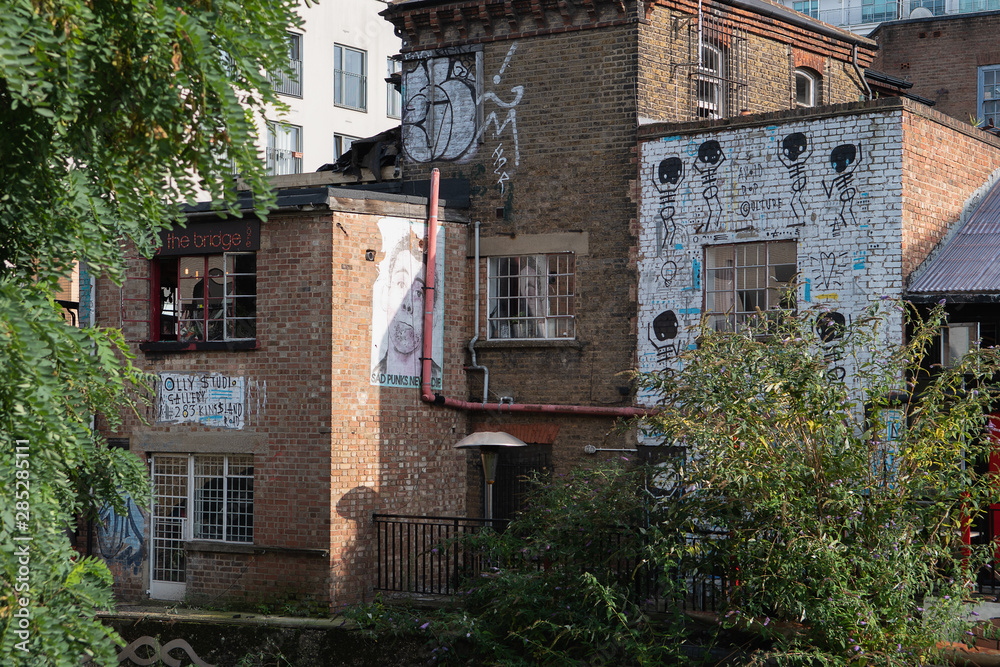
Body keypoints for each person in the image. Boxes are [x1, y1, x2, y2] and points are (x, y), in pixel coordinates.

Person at [371, 231, 441, 387]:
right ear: (384, 295)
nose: (407, 304)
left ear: (434, 315)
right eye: (400, 284)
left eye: (418, 293)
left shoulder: (439, 374)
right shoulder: (375, 372)